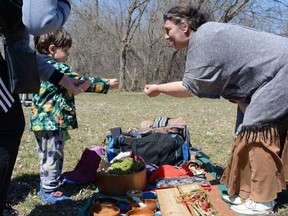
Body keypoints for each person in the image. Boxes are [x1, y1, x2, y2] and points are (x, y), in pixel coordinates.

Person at [144, 4, 288, 215]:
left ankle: (262, 201)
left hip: (282, 71)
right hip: (267, 79)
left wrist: (158, 88)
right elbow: (238, 79)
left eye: (168, 30)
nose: (166, 37)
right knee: (244, 132)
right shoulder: (209, 34)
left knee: (258, 131)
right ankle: (248, 192)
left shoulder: (203, 39)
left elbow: (189, 87)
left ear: (184, 26)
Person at [0, 1, 90, 215]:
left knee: (9, 124)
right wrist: (64, 6)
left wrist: (64, 80)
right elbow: (40, 21)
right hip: (48, 121)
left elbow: (20, 49)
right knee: (8, 126)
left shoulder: (13, 13)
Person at [31, 27, 118, 204]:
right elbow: (81, 81)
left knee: (48, 154)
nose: (68, 54)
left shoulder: (37, 65)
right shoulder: (55, 67)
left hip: (42, 121)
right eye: (66, 50)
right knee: (53, 154)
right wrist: (107, 84)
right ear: (52, 49)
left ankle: (48, 184)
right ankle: (50, 191)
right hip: (51, 121)